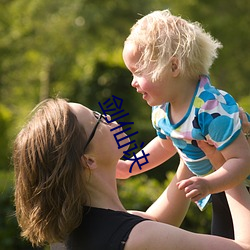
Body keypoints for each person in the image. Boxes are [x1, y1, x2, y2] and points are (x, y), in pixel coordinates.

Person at [13, 98, 250, 250]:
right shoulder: (138, 238)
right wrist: (226, 165)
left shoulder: (73, 233)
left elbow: (156, 221)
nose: (109, 118)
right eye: (98, 119)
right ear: (88, 160)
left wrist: (190, 138)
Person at [118, 9, 250, 239]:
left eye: (138, 72)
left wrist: (209, 183)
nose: (132, 83)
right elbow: (166, 144)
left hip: (239, 186)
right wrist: (131, 166)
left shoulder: (211, 109)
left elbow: (242, 160)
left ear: (173, 67)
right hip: (220, 189)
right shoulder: (162, 110)